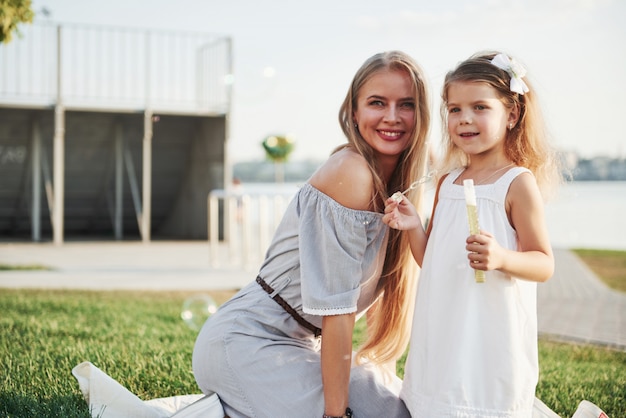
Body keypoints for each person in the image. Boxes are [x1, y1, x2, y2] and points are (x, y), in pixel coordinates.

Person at [192, 50, 431, 418]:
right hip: (248, 341)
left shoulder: (401, 187)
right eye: (377, 103)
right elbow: (337, 311)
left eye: (407, 104)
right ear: (353, 111)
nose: (392, 117)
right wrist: (335, 415)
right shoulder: (352, 172)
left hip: (304, 347)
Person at [383, 51, 562, 417]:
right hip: (444, 329)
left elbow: (544, 263)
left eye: (480, 107)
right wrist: (414, 225)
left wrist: (502, 258)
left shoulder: (516, 184)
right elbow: (431, 260)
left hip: (488, 334)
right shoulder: (447, 181)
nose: (465, 119)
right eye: (454, 109)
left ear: (511, 114)